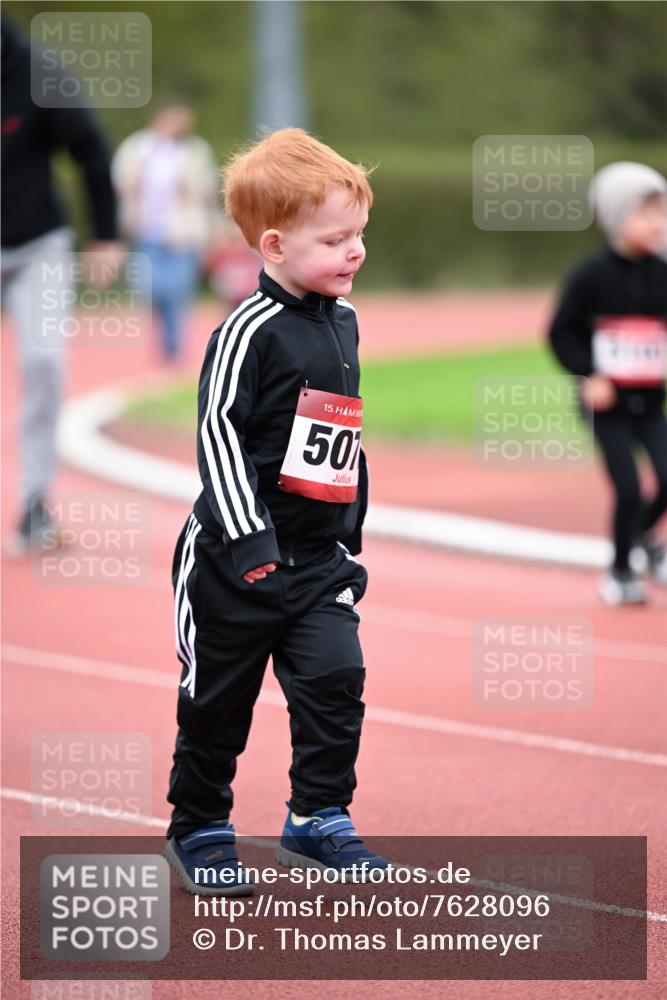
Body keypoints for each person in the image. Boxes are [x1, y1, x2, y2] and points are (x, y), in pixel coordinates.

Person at [164, 128, 387, 894]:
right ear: (273, 245)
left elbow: (338, 430)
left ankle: (317, 817)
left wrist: (347, 527)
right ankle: (198, 825)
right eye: (335, 239)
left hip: (317, 559)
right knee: (216, 703)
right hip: (234, 561)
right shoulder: (245, 333)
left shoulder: (344, 320)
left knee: (336, 681)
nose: (354, 251)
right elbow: (217, 435)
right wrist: (250, 540)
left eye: (359, 234)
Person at [1, 16, 122, 550]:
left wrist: (106, 236)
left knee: (44, 361)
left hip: (38, 245)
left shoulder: (38, 72)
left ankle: (34, 505)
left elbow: (92, 150)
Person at [548, 161, 667, 605]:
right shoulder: (591, 276)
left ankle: (644, 539)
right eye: (647, 214)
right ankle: (620, 572)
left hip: (651, 402)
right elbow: (560, 331)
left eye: (662, 214)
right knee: (630, 487)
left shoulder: (662, 273)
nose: (658, 224)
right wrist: (589, 374)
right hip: (607, 406)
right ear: (617, 218)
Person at [112, 103, 218, 361]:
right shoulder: (137, 147)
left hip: (182, 233)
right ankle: (164, 340)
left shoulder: (194, 151)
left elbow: (207, 191)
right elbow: (119, 183)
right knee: (150, 289)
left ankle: (173, 348)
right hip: (145, 230)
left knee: (177, 291)